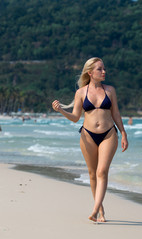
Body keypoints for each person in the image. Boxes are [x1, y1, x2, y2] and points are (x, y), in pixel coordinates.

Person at [52, 57, 128, 223]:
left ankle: (94, 210)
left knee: (102, 171)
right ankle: (100, 210)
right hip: (87, 135)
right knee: (93, 174)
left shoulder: (110, 91)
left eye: (104, 69)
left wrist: (123, 133)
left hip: (108, 134)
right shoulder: (81, 93)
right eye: (100, 69)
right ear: (90, 72)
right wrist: (61, 111)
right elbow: (75, 117)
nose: (103, 72)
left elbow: (115, 113)